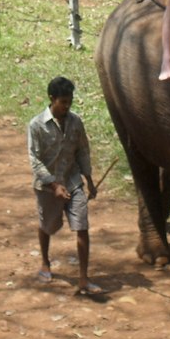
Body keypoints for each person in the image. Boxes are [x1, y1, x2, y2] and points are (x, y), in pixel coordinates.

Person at [28, 76, 101, 295]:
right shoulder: (36, 125)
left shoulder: (76, 122)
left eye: (69, 102)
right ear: (52, 99)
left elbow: (83, 150)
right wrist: (53, 186)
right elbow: (35, 160)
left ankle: (83, 279)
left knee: (82, 227)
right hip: (47, 186)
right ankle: (45, 262)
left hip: (73, 181)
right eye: (63, 102)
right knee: (47, 226)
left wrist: (89, 180)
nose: (67, 106)